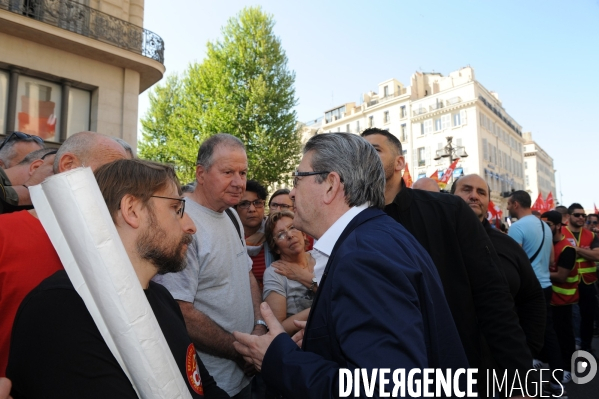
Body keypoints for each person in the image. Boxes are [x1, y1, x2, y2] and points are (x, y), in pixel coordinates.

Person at [233, 133, 469, 399]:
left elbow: (387, 389)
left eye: (298, 179)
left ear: (331, 185)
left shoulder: (362, 258)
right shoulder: (377, 235)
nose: (292, 192)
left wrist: (278, 358)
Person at [7, 159, 229, 398]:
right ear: (131, 210)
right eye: (176, 209)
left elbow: (204, 387)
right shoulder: (60, 308)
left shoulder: (163, 299)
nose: (191, 226)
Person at [361, 128, 532, 395]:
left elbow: (492, 296)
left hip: (455, 370)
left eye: (374, 148)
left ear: (399, 163)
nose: (364, 155)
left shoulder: (448, 211)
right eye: (359, 150)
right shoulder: (352, 222)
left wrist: (518, 377)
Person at [0, 131, 127, 376]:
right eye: (114, 172)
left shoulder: (120, 250)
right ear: (69, 166)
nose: (124, 187)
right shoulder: (4, 234)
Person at [154, 134, 265, 398]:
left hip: (248, 371)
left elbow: (246, 272)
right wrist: (239, 350)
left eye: (243, 172)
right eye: (228, 172)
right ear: (201, 173)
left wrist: (259, 326)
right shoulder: (181, 223)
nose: (239, 182)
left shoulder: (230, 214)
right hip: (214, 383)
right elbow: (179, 310)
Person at [452, 174, 546, 360]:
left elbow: (532, 297)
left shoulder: (508, 245)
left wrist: (529, 350)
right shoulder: (434, 242)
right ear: (450, 196)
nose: (474, 196)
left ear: (487, 200)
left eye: (481, 192)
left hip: (501, 365)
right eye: (466, 189)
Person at [507, 190, 564, 386]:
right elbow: (551, 260)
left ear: (515, 204)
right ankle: (558, 378)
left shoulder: (517, 228)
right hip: (546, 285)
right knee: (548, 331)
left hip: (527, 289)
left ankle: (525, 383)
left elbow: (513, 263)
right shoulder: (545, 227)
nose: (507, 207)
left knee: (521, 333)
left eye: (508, 203)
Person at [262, 210, 314, 335]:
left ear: (304, 234)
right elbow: (277, 327)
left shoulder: (322, 258)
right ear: (276, 248)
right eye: (280, 235)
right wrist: (319, 308)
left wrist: (301, 276)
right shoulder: (275, 273)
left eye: (293, 227)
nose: (290, 235)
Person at [541, 210, 578, 385]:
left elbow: (562, 276)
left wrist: (539, 272)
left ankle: (568, 369)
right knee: (550, 334)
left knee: (565, 336)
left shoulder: (567, 248)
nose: (544, 228)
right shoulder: (546, 244)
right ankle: (546, 359)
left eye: (547, 225)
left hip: (564, 301)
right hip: (549, 299)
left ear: (557, 226)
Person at [562, 203, 599, 354]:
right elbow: (558, 254)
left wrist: (575, 250)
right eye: (577, 215)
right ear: (568, 216)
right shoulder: (561, 232)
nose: (581, 218)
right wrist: (586, 252)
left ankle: (586, 347)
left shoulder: (591, 235)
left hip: (588, 282)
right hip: (567, 281)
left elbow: (597, 255)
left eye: (583, 215)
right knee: (567, 318)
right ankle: (569, 349)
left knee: (587, 317)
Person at [235, 180, 274, 287]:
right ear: (235, 209)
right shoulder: (230, 240)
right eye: (244, 204)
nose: (252, 209)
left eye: (257, 203)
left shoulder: (276, 234)